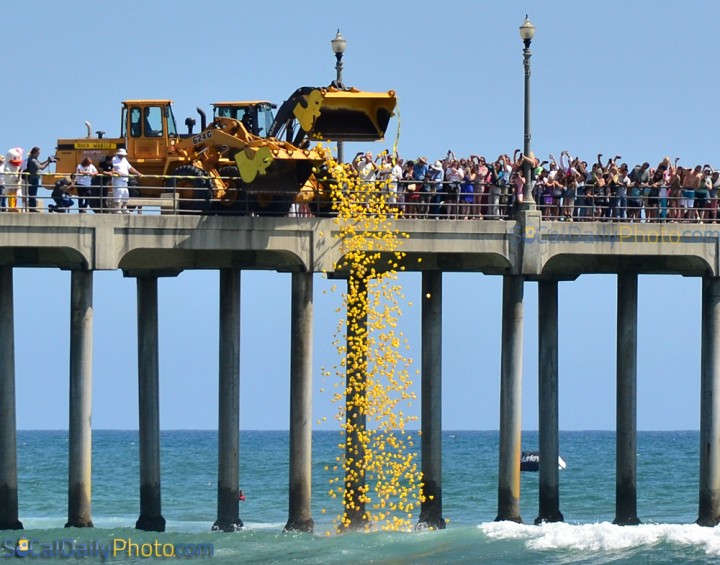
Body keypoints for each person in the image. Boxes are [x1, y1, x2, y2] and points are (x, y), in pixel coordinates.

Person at [110, 148, 142, 213]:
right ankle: (117, 209)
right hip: (118, 180)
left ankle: (124, 208)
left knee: (125, 194)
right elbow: (112, 169)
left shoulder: (124, 160)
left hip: (125, 180)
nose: (123, 156)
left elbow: (130, 167)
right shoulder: (114, 159)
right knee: (118, 194)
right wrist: (117, 173)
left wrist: (137, 173)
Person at [25, 147, 55, 212]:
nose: (39, 154)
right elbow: (41, 167)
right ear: (35, 152)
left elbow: (40, 164)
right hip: (33, 178)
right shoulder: (33, 160)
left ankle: (32, 207)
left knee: (33, 193)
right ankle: (32, 208)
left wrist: (47, 160)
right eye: (38, 153)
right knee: (33, 193)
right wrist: (49, 162)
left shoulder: (35, 159)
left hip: (34, 178)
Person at [4, 148, 23, 212]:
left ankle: (14, 206)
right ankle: (11, 207)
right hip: (10, 183)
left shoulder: (17, 166)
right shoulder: (7, 166)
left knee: (15, 196)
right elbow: (9, 174)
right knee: (11, 195)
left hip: (16, 184)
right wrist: (15, 178)